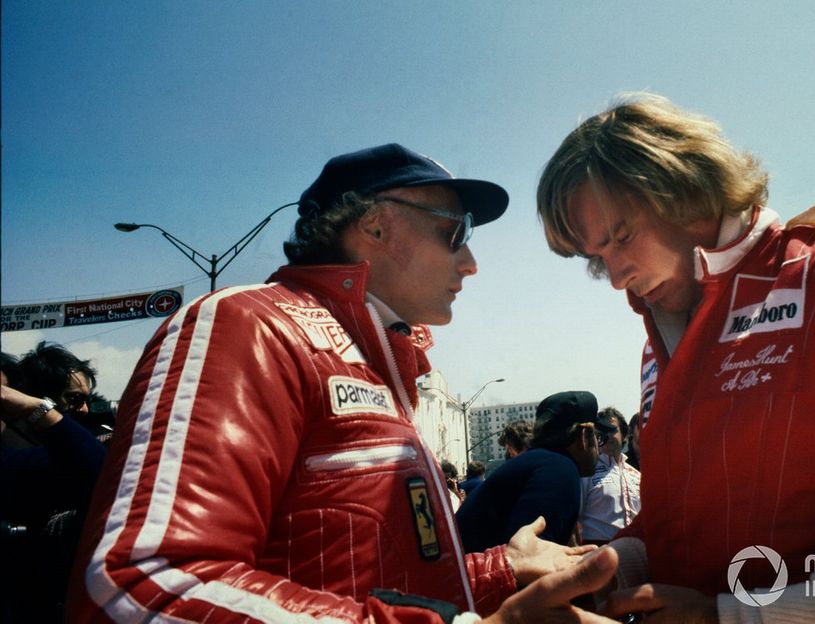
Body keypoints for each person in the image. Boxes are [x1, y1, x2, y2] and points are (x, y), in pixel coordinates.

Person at [68, 143, 618, 624]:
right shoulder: (250, 326)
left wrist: (501, 569)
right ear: (375, 227)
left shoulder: (380, 361)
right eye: (455, 231)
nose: (471, 262)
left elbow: (360, 581)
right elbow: (142, 587)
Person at [537, 94, 815, 622]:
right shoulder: (661, 338)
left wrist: (745, 616)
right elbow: (695, 518)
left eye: (622, 237)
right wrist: (613, 569)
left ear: (688, 190)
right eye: (597, 259)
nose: (617, 276)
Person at [1, 346, 107, 623]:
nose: (83, 409)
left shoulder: (68, 444)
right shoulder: (17, 453)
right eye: (73, 399)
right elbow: (101, 474)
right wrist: (40, 410)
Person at [457, 391, 616, 553]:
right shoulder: (560, 469)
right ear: (583, 437)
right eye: (598, 437)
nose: (599, 446)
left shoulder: (544, 464)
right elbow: (529, 561)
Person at [578, 407, 641, 545]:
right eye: (601, 432)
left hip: (634, 549)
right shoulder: (587, 472)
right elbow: (574, 519)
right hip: (597, 551)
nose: (607, 436)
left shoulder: (636, 475)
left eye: (612, 430)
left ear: (624, 434)